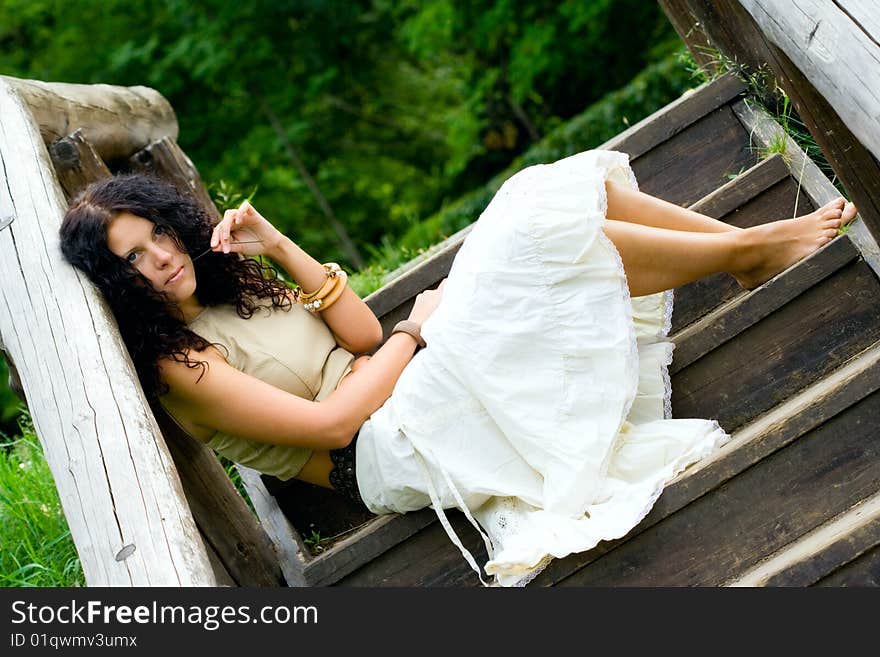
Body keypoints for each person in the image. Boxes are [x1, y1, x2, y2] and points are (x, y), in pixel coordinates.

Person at [59, 150, 857, 586]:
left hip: (404, 386)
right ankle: (746, 251)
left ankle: (742, 250)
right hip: (381, 449)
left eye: (158, 234)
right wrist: (417, 332)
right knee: (524, 231)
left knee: (536, 199)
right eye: (134, 259)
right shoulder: (178, 365)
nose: (161, 258)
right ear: (116, 285)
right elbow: (334, 421)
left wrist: (278, 245)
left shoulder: (225, 284)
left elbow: (356, 330)